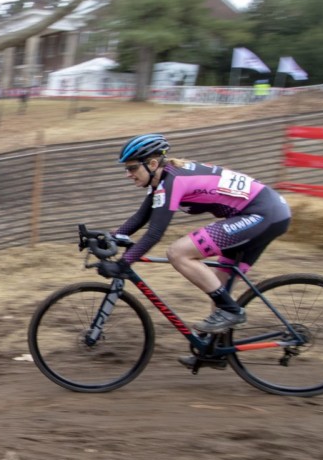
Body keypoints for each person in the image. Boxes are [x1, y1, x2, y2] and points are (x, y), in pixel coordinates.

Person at [95, 133, 292, 367]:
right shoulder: (164, 180)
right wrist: (108, 238)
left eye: (132, 168)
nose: (128, 174)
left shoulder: (173, 182)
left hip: (261, 214)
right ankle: (215, 350)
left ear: (153, 164)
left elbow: (154, 234)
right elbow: (141, 217)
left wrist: (123, 264)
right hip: (263, 214)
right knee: (218, 283)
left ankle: (231, 311)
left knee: (178, 253)